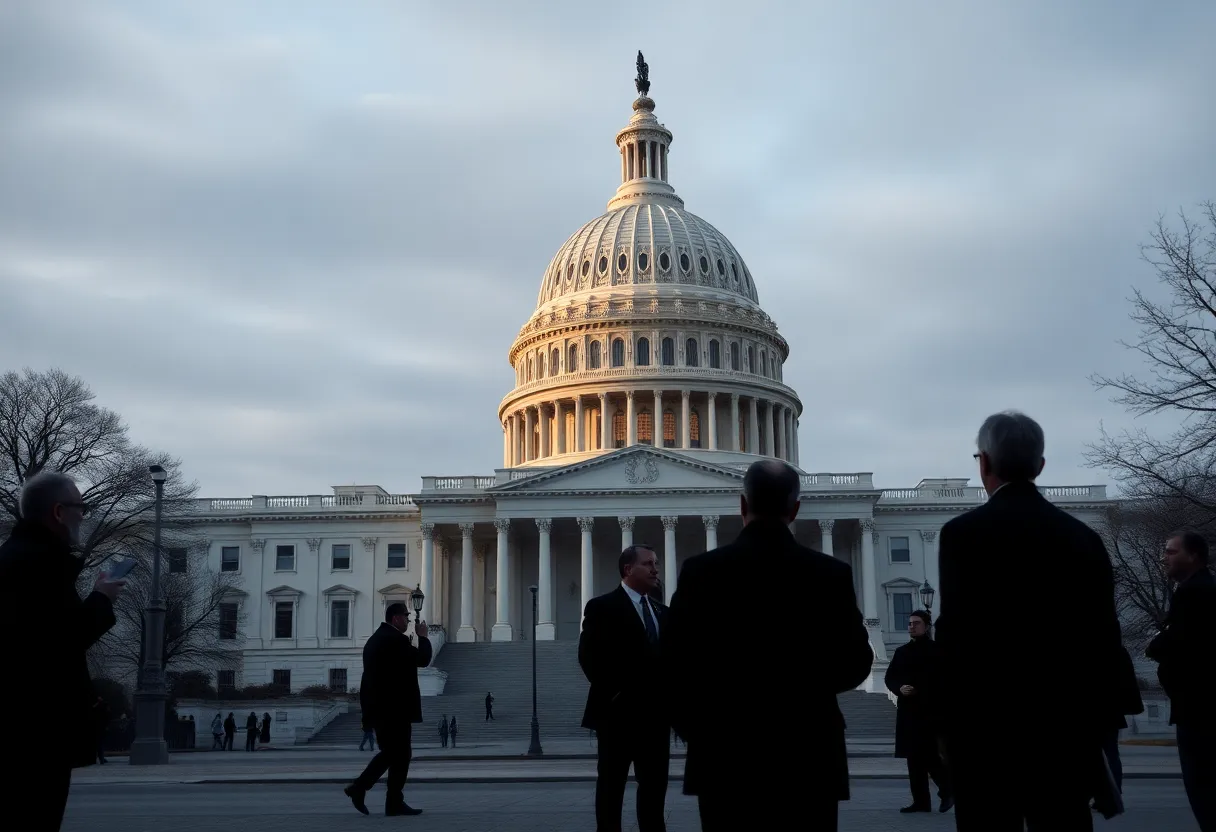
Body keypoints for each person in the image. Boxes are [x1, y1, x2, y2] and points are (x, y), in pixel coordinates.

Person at [936, 412, 1123, 831]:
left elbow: (955, 640)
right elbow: (1104, 643)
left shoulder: (963, 534)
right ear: (1040, 467)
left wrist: (946, 728)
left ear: (983, 464)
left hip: (986, 732)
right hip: (1063, 732)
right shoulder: (1083, 538)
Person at [663, 460, 873, 831]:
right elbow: (856, 663)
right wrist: (805, 689)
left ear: (742, 505)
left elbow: (672, 664)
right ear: (795, 510)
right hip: (809, 753)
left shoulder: (701, 572)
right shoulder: (829, 574)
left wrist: (702, 729)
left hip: (723, 754)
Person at [0, 471, 126, 830]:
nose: (83, 516)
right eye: (80, 508)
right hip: (37, 727)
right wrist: (102, 599)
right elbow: (57, 641)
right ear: (59, 512)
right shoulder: (39, 564)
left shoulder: (17, 556)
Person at [579, 544, 672, 832]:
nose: (656, 569)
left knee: (655, 794)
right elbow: (589, 658)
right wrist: (617, 696)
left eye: (656, 563)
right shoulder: (602, 606)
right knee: (611, 789)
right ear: (628, 569)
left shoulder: (662, 612)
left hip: (656, 720)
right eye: (648, 564)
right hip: (616, 717)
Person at [1146, 530, 1215, 831]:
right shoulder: (1198, 589)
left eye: (1171, 552)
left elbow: (1174, 644)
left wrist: (1157, 644)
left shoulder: (1195, 593)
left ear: (1194, 556)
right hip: (1197, 707)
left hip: (1198, 709)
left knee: (1205, 793)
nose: (1164, 557)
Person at [343, 605, 433, 817]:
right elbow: (423, 660)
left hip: (381, 709)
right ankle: (363, 789)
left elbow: (368, 680)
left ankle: (391, 801)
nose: (408, 621)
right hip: (394, 709)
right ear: (395, 619)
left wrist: (368, 715)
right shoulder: (393, 640)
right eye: (406, 617)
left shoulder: (376, 639)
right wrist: (423, 637)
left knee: (396, 754)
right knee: (397, 754)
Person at [885, 610, 952, 814]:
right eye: (910, 623)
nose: (911, 626)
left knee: (929, 756)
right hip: (908, 713)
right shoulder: (901, 651)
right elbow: (890, 678)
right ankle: (922, 802)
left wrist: (919, 689)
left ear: (927, 626)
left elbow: (942, 681)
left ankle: (947, 789)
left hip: (930, 711)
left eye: (916, 623)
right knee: (913, 759)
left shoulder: (937, 651)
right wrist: (899, 688)